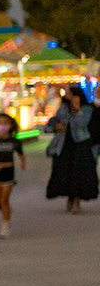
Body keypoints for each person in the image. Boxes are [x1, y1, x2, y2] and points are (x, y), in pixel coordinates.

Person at [44, 86, 98, 214]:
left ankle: (77, 200)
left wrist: (76, 109)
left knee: (79, 173)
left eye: (70, 93)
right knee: (66, 172)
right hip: (64, 145)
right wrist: (54, 126)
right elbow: (55, 120)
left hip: (81, 144)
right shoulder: (63, 107)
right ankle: (70, 197)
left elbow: (82, 124)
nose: (67, 95)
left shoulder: (86, 109)